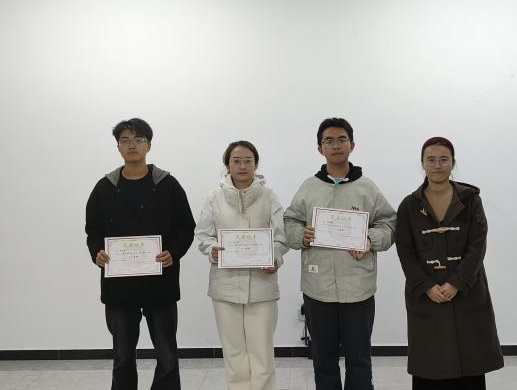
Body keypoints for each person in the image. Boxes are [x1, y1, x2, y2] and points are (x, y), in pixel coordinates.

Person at [284, 118, 397, 390]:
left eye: (342, 139)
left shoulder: (367, 188)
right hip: (318, 289)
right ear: (320, 148)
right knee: (323, 360)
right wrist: (301, 235)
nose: (336, 145)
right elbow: (290, 220)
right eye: (329, 141)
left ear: (352, 145)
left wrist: (369, 240)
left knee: (359, 361)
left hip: (358, 289)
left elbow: (389, 223)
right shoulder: (309, 187)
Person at [85, 118, 196, 390]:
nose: (131, 145)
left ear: (149, 145)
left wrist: (173, 252)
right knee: (123, 356)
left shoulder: (168, 184)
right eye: (124, 141)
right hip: (119, 287)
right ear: (118, 147)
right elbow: (93, 229)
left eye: (138, 140)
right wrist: (97, 252)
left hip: (161, 283)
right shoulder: (104, 187)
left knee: (167, 355)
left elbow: (185, 227)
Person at [394, 136, 504, 390]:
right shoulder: (409, 205)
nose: (437, 165)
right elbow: (405, 251)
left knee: (471, 364)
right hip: (426, 296)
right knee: (430, 365)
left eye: (444, 159)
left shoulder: (470, 200)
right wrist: (426, 285)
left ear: (453, 163)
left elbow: (478, 245)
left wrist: (457, 282)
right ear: (422, 163)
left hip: (467, 292)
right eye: (431, 159)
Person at [195, 140, 289, 390]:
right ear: (227, 165)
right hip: (225, 287)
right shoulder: (215, 196)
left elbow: (281, 237)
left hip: (262, 285)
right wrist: (213, 250)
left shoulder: (269, 196)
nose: (242, 166)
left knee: (262, 353)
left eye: (248, 161)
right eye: (236, 161)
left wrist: (275, 257)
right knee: (234, 353)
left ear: (256, 164)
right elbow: (203, 235)